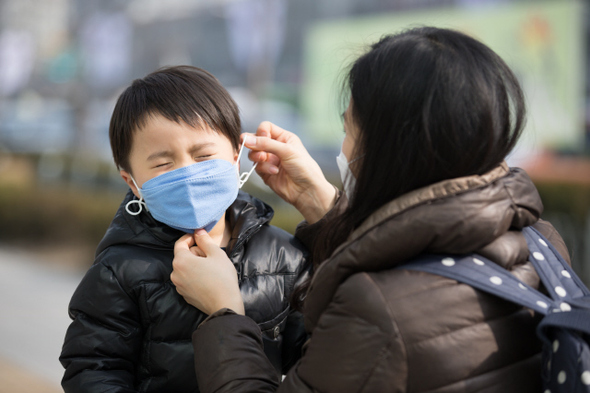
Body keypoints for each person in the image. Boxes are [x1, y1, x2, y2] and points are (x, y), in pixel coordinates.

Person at [170, 27, 573, 393]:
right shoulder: (541, 244)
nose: (344, 149)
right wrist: (324, 207)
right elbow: (424, 257)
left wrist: (225, 313)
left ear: (389, 150)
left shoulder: (376, 311)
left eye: (348, 130)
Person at [59, 66, 310, 393]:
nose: (188, 174)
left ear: (236, 155)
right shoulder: (119, 269)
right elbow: (93, 368)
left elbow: (319, 359)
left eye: (204, 155)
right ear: (132, 183)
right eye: (163, 164)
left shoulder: (284, 256)